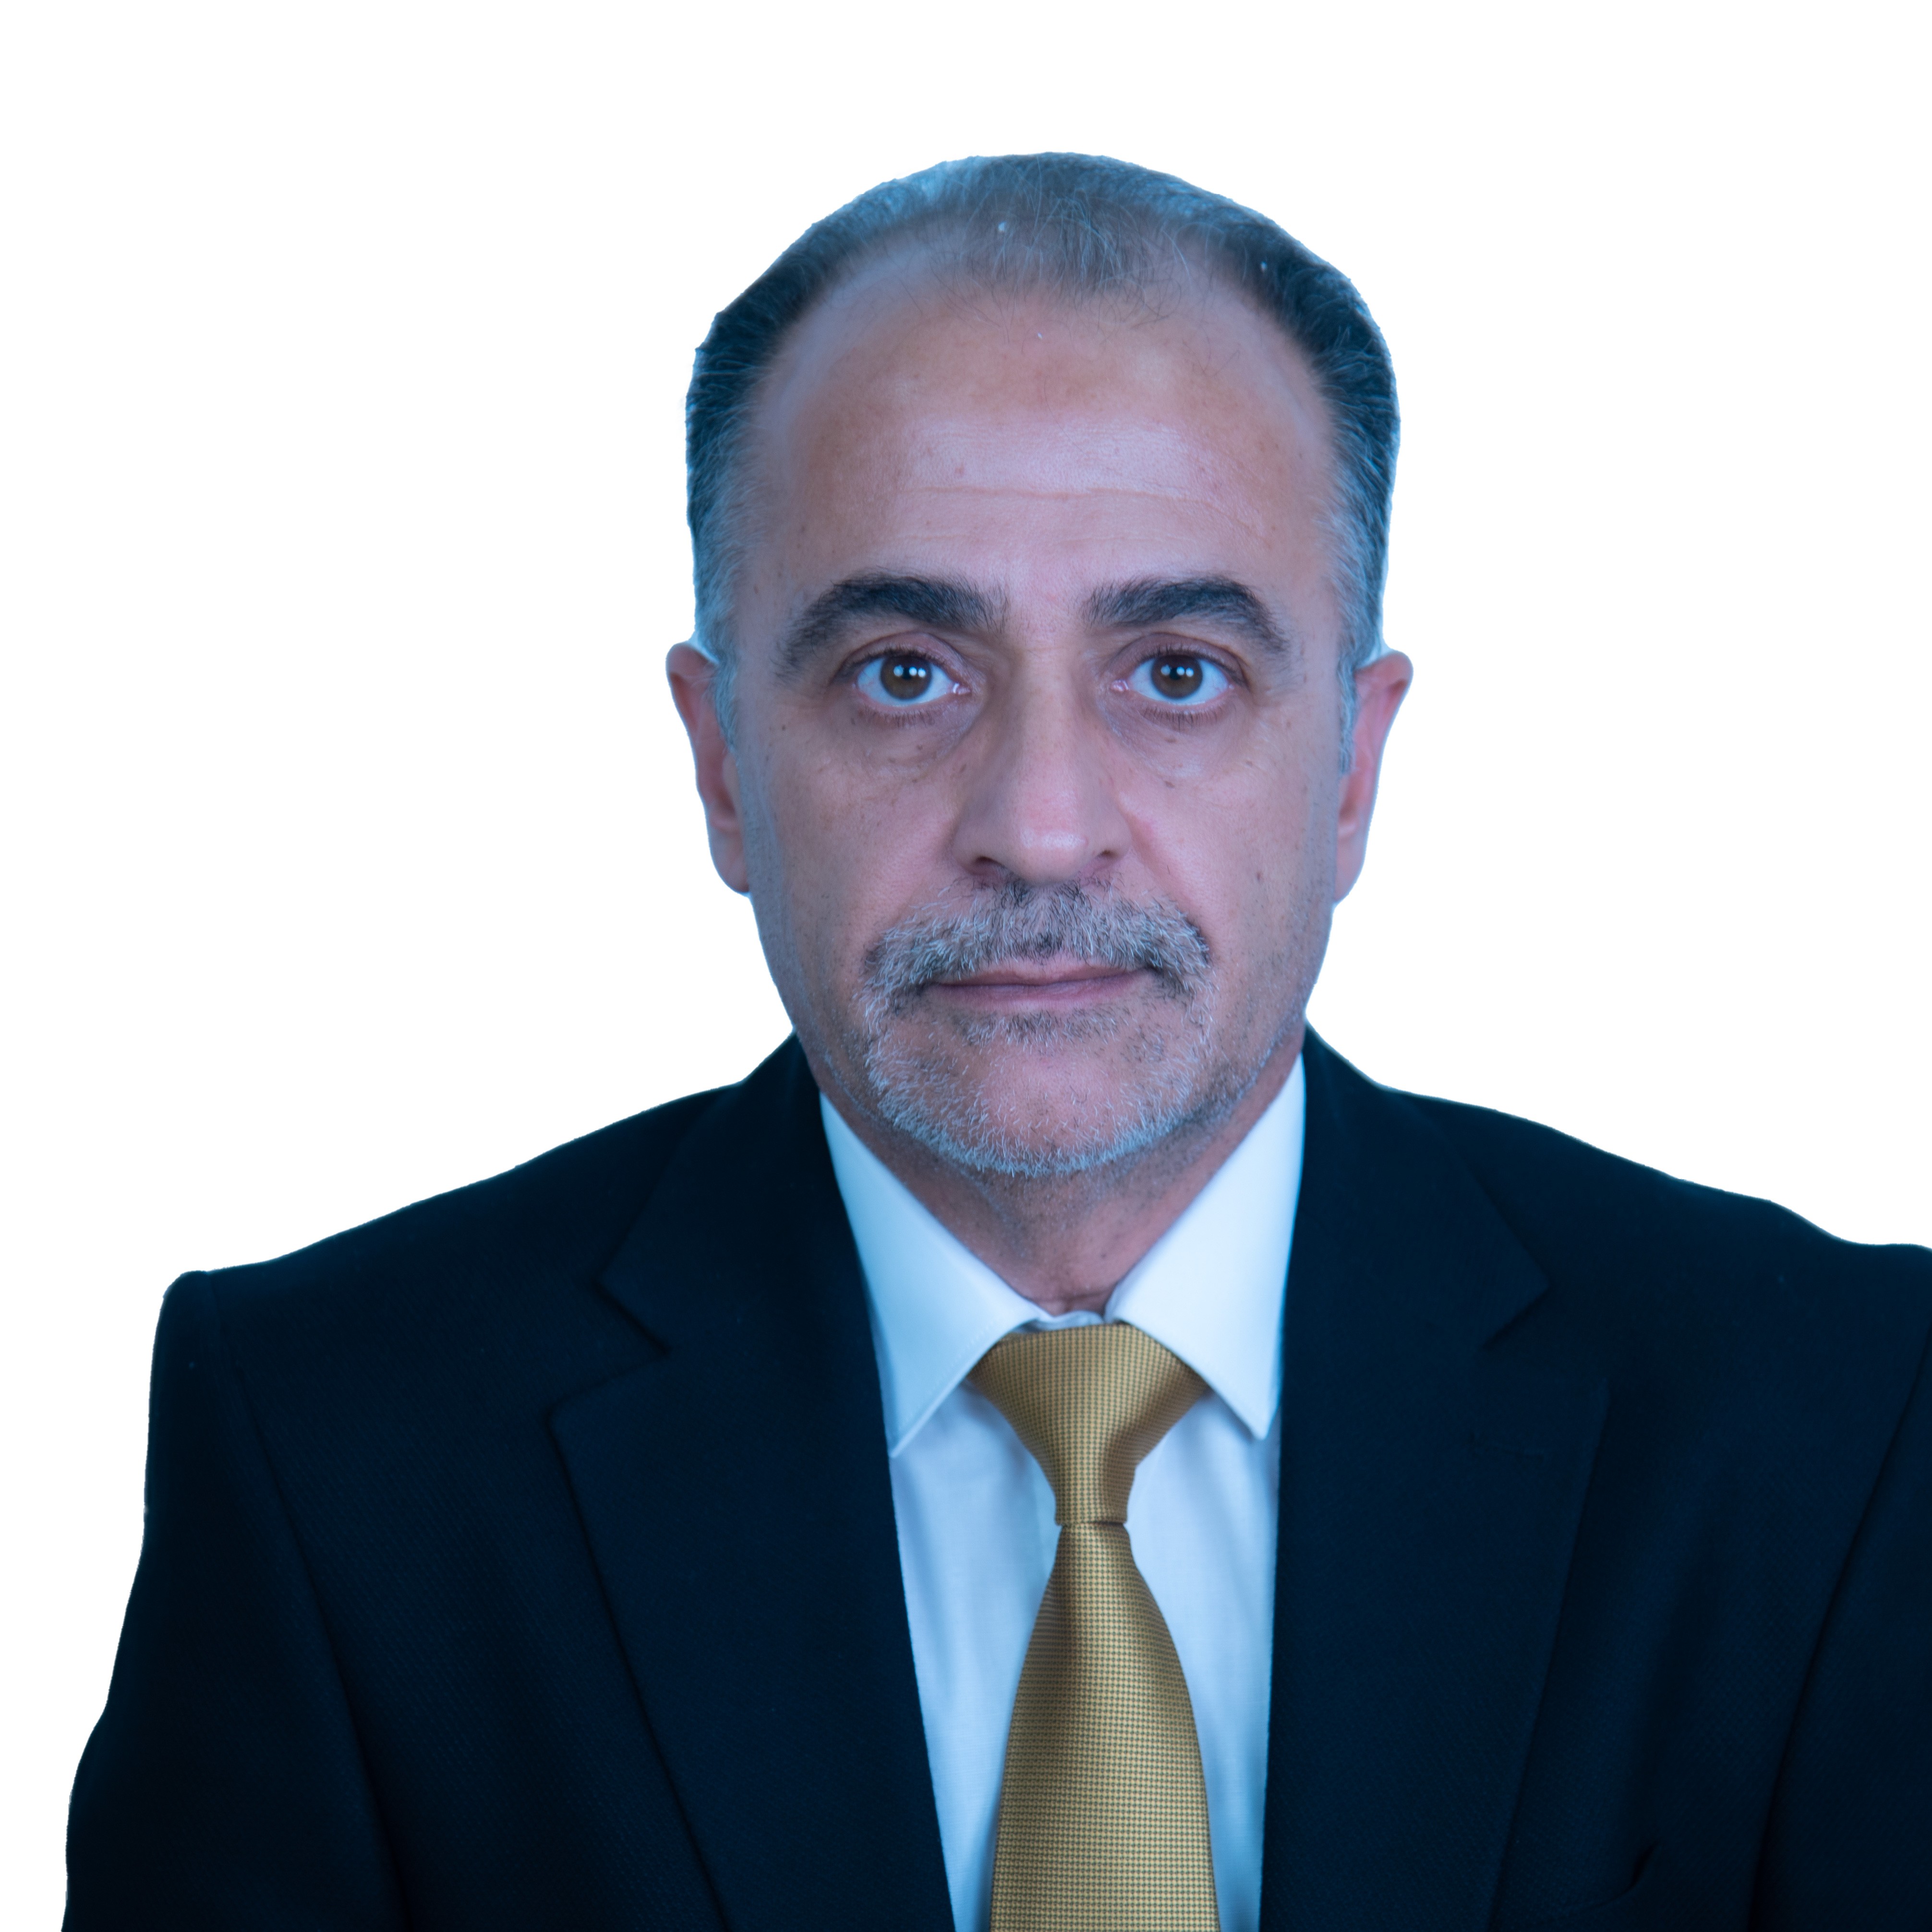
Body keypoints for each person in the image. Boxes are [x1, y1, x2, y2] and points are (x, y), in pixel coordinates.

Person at [65, 154, 1931, 1932]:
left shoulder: (1829, 1422)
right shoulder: (337, 1451)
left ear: (1353, 767)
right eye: (906, 673)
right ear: (723, 766)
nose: (1041, 827)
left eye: (1177, 673)